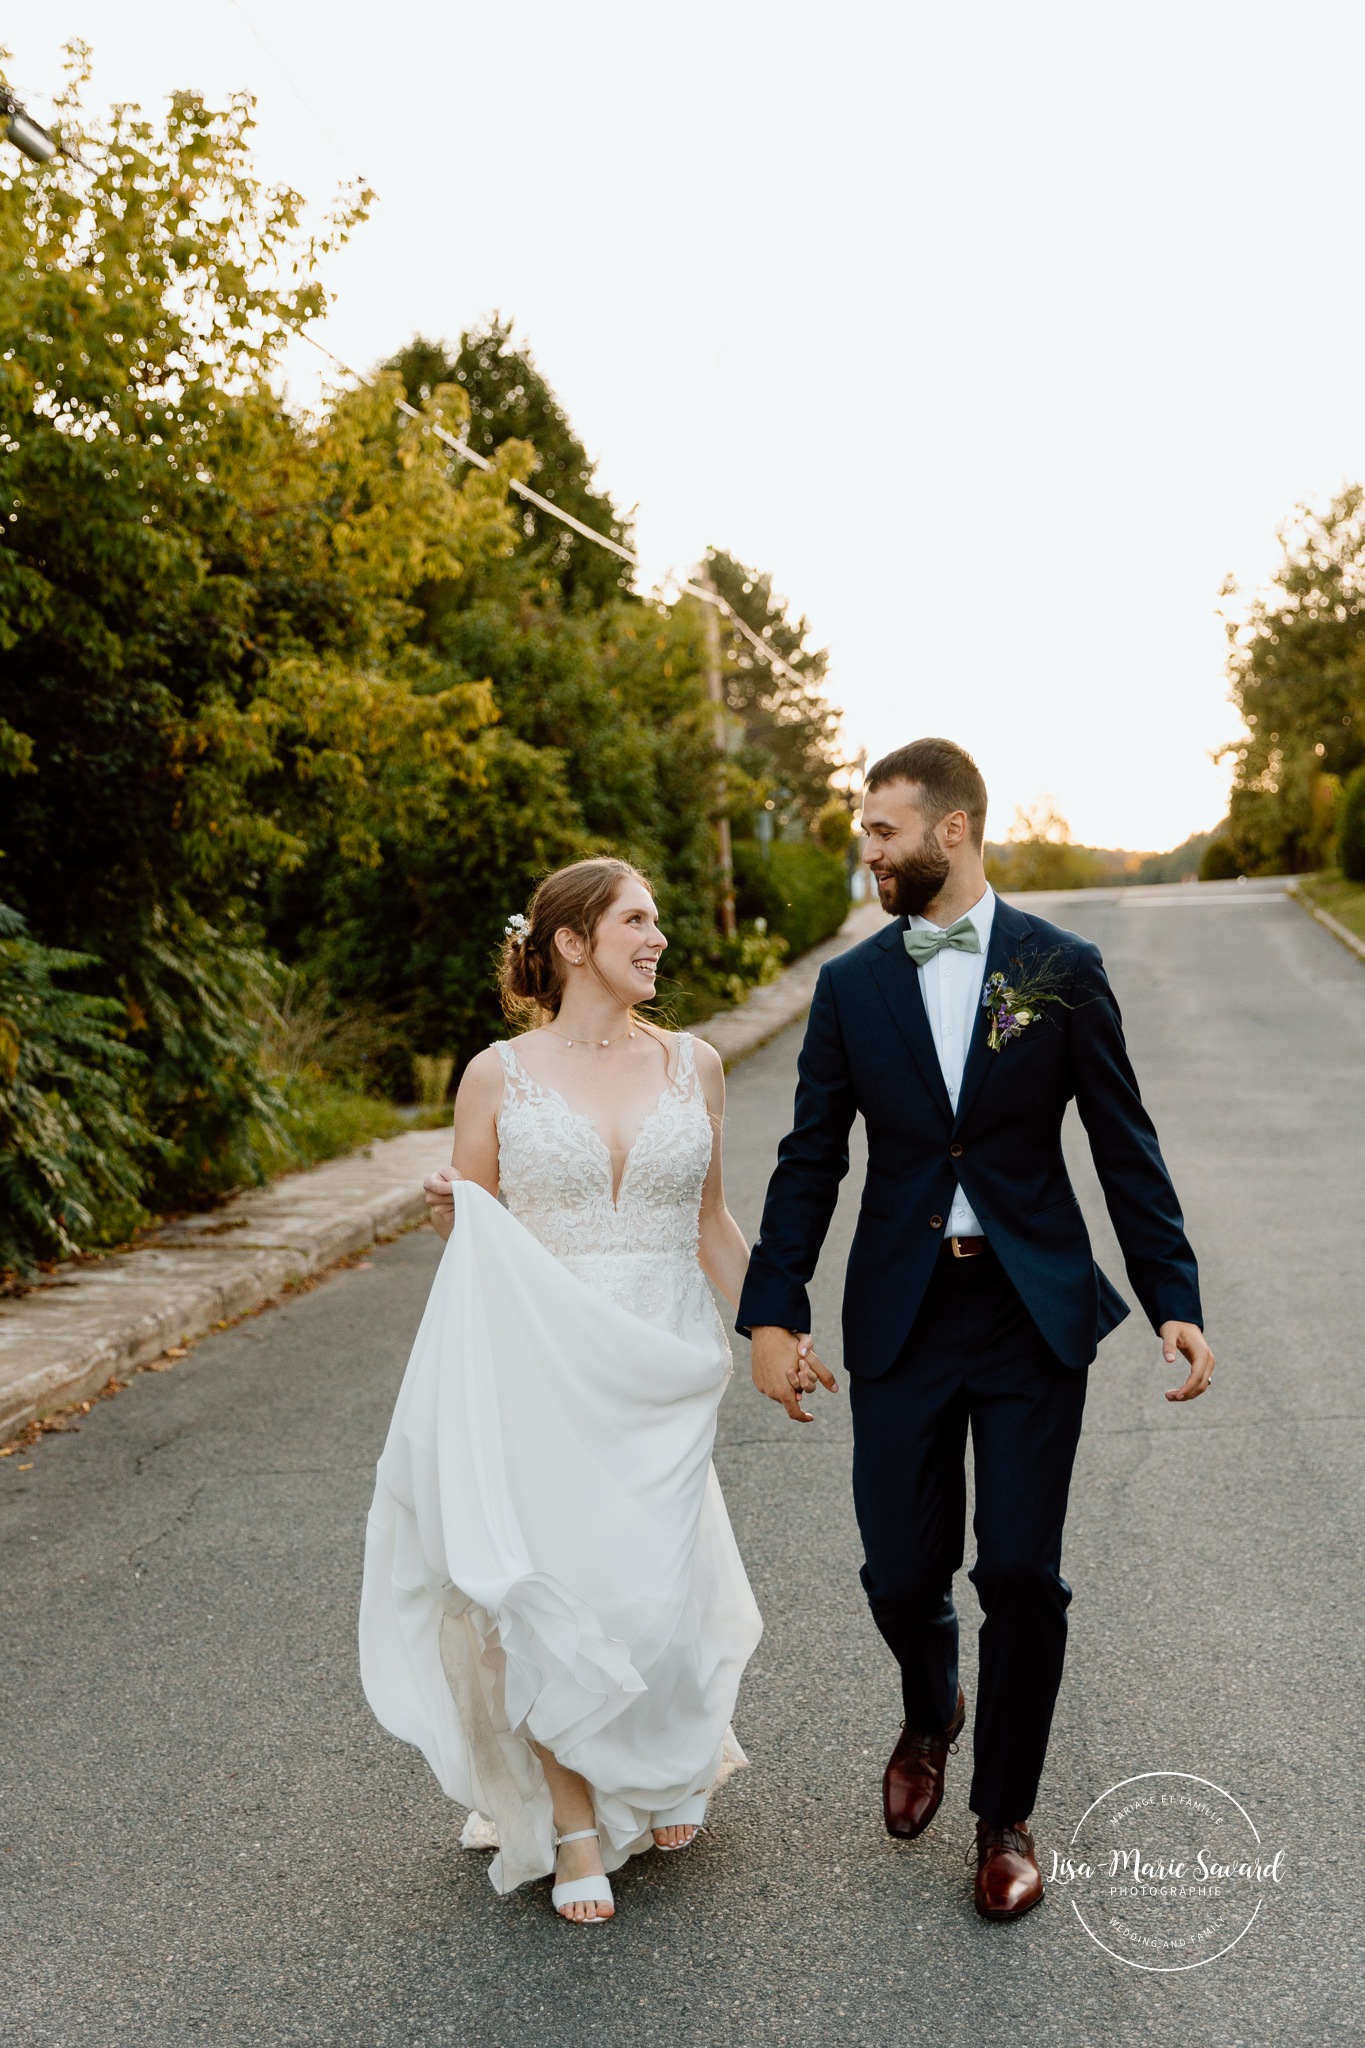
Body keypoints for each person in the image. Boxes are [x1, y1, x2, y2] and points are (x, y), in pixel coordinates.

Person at [737, 738, 1215, 1921]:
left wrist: (1175, 1297)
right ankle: (931, 1700)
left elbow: (1123, 1142)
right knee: (903, 1571)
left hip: (1024, 1308)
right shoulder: (850, 986)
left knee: (1019, 1572)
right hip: (901, 1310)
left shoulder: (1060, 966)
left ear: (950, 830)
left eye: (883, 830)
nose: (868, 849)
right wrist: (772, 1309)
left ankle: (1004, 1817)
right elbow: (810, 1158)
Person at [360, 857, 813, 1925]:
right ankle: (570, 1824)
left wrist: (777, 1327)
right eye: (636, 921)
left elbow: (710, 1222)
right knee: (553, 1586)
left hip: (662, 1359)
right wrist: (449, 1211)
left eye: (656, 920)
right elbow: (474, 1229)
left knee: (652, 1584)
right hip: (542, 1360)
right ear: (571, 943)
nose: (658, 938)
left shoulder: (694, 1064)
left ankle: (664, 1764)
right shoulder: (496, 1075)